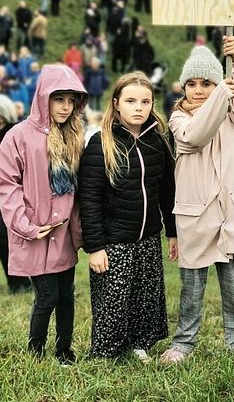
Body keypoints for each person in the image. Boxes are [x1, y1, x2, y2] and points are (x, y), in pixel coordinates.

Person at [161, 40, 234, 363]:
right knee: (192, 287)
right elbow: (196, 136)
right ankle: (184, 342)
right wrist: (221, 94)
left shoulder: (233, 117)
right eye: (191, 84)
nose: (198, 90)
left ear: (218, 83)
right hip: (196, 216)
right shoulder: (179, 120)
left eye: (207, 83)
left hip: (230, 212)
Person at [77, 71, 176, 361]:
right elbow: (90, 200)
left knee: (145, 297)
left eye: (145, 101)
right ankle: (106, 353)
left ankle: (139, 345)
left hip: (147, 236)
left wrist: (172, 231)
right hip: (114, 241)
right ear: (117, 103)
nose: (139, 107)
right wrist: (95, 247)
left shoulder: (156, 141)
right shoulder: (100, 144)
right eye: (131, 101)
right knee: (114, 300)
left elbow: (168, 190)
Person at [0, 65, 87, 362]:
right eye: (59, 99)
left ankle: (64, 350)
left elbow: (79, 189)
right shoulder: (19, 135)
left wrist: (82, 230)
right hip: (35, 232)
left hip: (63, 235)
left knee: (67, 295)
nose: (65, 107)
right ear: (43, 97)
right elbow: (5, 181)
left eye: (71, 100)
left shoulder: (74, 136)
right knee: (47, 297)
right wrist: (25, 223)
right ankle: (35, 353)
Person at [0, 94, 32, 294]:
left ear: (1, 112)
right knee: (2, 239)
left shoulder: (15, 133)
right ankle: (17, 285)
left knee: (3, 238)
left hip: (13, 196)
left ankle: (24, 283)